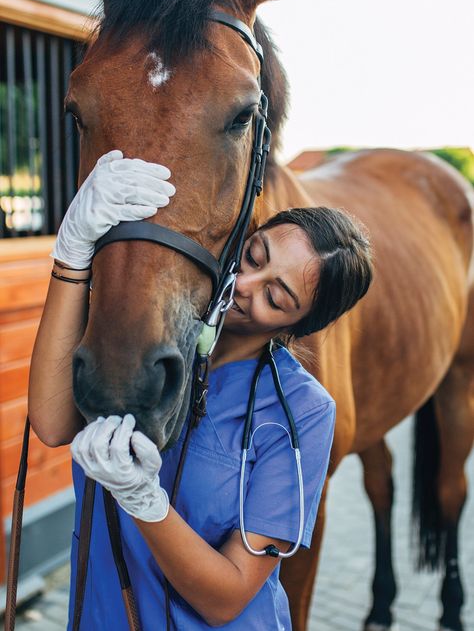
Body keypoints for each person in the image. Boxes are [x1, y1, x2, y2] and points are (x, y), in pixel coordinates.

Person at [28, 150, 373, 630]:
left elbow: (227, 598)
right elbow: (49, 420)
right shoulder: (145, 338)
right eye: (253, 255)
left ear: (299, 325)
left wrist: (145, 501)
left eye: (276, 297)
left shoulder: (303, 414)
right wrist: (72, 252)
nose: (246, 283)